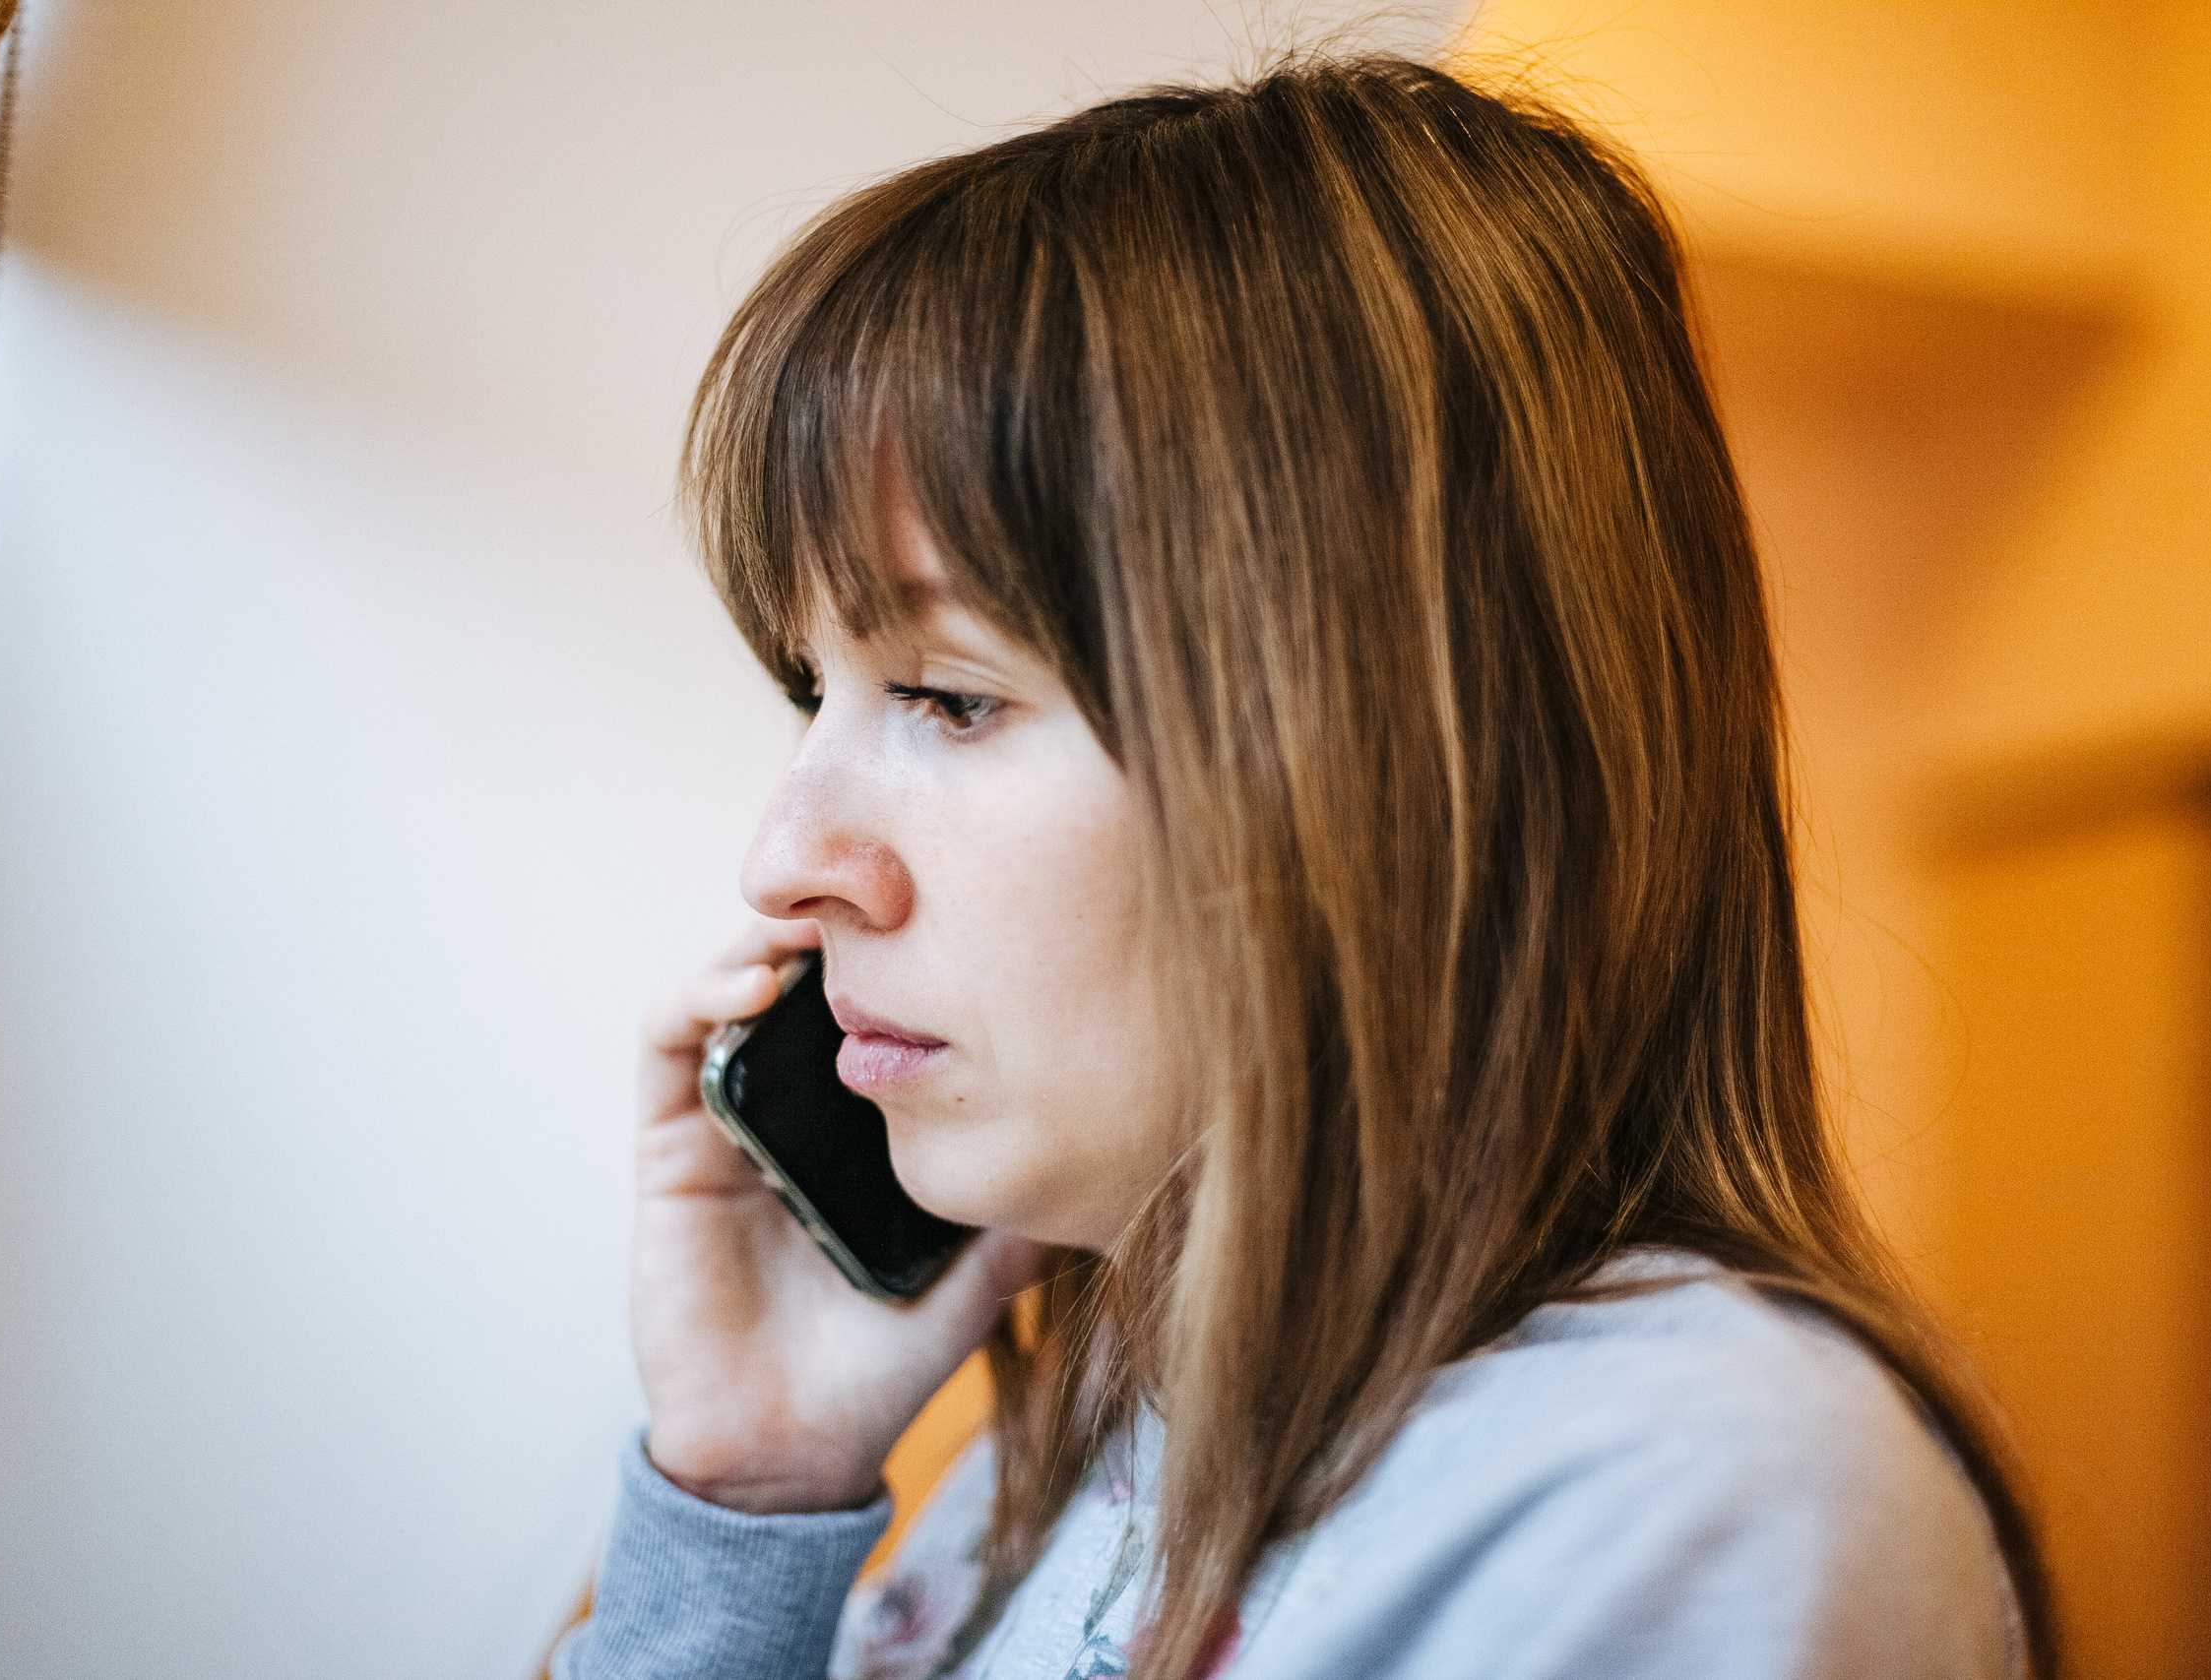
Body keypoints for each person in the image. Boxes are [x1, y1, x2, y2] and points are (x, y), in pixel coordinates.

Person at [555, 54, 2054, 1680]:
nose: (785, 862)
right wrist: (749, 1497)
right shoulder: (1082, 1451)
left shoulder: (1683, 1498)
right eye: (816, 692)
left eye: (950, 695)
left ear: (1378, 754)